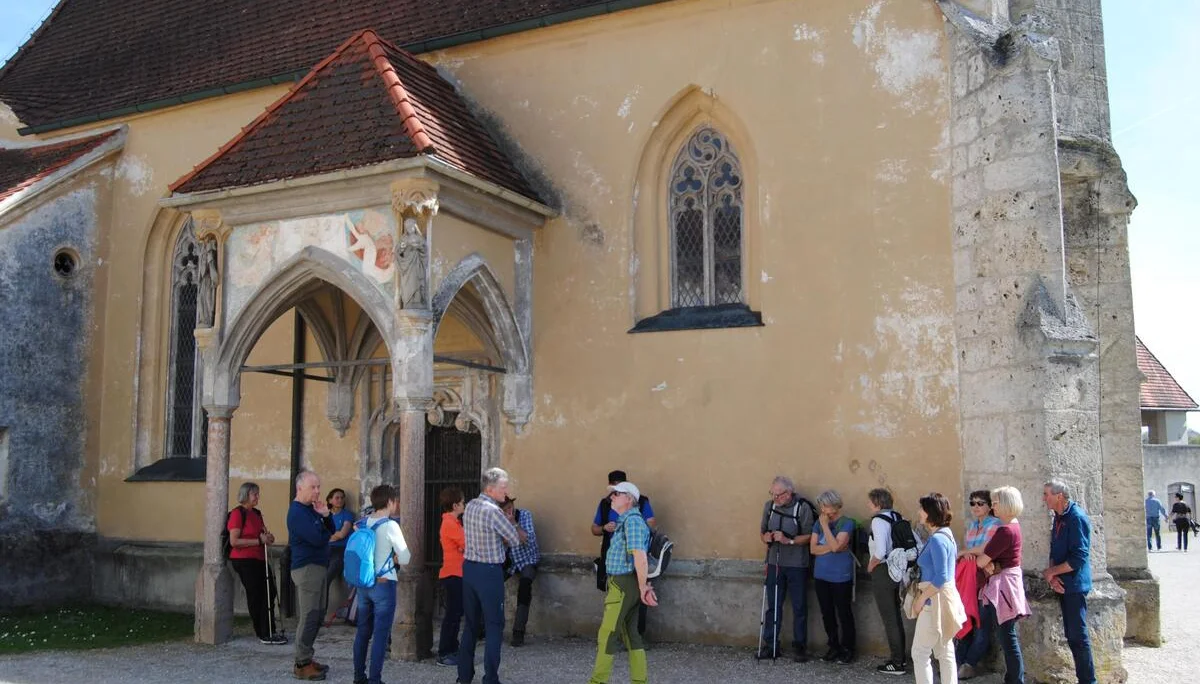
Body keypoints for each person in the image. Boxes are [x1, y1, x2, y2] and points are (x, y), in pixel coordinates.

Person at [457, 468, 524, 684]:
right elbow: (514, 539)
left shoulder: (470, 507)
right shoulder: (493, 511)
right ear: (490, 488)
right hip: (489, 572)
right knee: (494, 625)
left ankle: (464, 677)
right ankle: (491, 679)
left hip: (469, 569)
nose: (506, 492)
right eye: (503, 488)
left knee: (470, 624)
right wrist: (510, 521)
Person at [588, 481, 659, 684]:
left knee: (607, 634)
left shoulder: (633, 521)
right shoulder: (628, 520)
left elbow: (640, 556)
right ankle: (639, 681)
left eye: (616, 494)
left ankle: (597, 681)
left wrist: (644, 586)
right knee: (631, 635)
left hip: (623, 585)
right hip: (625, 584)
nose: (611, 497)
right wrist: (642, 586)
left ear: (629, 499)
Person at [959, 486, 1029, 682]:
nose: (994, 507)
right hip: (1004, 583)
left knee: (1008, 637)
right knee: (1006, 636)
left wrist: (987, 563)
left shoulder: (1005, 530)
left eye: (996, 503)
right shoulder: (1013, 526)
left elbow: (981, 561)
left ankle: (1015, 680)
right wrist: (989, 563)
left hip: (1002, 586)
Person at [352, 485, 411, 684]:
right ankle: (374, 679)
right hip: (384, 584)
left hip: (364, 584)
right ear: (390, 502)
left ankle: (358, 677)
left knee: (362, 632)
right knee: (380, 635)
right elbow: (405, 557)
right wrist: (393, 559)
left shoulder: (363, 523)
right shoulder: (391, 526)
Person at [1041, 479, 1096, 684]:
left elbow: (1079, 558)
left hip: (1074, 585)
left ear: (1059, 496)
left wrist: (1051, 572)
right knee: (1072, 636)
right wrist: (1053, 576)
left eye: (1046, 494)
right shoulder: (1058, 516)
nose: (1044, 498)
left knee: (1078, 637)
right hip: (1062, 583)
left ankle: (1088, 681)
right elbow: (1054, 547)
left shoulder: (1076, 518)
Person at [756, 475, 814, 662]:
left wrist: (787, 539)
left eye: (779, 495)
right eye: (773, 494)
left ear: (789, 493)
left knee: (799, 606)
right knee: (773, 606)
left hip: (797, 564)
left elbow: (809, 536)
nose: (775, 498)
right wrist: (766, 537)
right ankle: (771, 645)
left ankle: (800, 647)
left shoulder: (802, 507)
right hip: (774, 563)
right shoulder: (769, 507)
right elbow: (762, 532)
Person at [592, 470, 656, 637]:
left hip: (631, 564)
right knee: (616, 602)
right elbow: (595, 528)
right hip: (613, 560)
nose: (613, 495)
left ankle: (631, 634)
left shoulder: (639, 507)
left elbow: (651, 523)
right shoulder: (605, 504)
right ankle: (626, 635)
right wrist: (605, 528)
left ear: (628, 496)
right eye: (613, 489)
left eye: (618, 490)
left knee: (632, 605)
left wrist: (630, 527)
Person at [910, 492, 966, 684]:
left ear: (929, 512)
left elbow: (941, 576)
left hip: (934, 600)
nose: (919, 512)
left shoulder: (937, 539)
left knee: (920, 653)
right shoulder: (946, 535)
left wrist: (920, 600)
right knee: (944, 649)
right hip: (944, 597)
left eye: (922, 509)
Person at [287, 470, 335, 681]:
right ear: (300, 488)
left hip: (319, 566)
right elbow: (318, 538)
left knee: (318, 615)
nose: (317, 491)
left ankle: (307, 657)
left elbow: (329, 530)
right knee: (308, 616)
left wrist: (326, 515)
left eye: (318, 487)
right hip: (307, 569)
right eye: (313, 487)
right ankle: (301, 663)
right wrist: (324, 529)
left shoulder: (312, 509)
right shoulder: (297, 512)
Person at [228, 482, 287, 645]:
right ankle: (262, 632)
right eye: (255, 494)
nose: (257, 497)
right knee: (256, 595)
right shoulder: (238, 514)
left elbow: (261, 533)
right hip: (244, 559)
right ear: (246, 495)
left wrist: (268, 537)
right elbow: (234, 541)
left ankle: (270, 629)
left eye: (258, 494)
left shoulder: (256, 513)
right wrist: (258, 540)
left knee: (270, 592)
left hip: (259, 558)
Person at [954, 490, 1001, 669]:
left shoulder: (995, 524)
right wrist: (968, 555)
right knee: (966, 619)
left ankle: (970, 663)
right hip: (970, 579)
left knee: (981, 623)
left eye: (980, 503)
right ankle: (959, 663)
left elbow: (987, 548)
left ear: (989, 506)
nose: (975, 507)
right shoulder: (973, 526)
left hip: (986, 580)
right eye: (972, 503)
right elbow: (973, 549)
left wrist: (965, 552)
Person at [809, 489, 856, 664]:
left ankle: (848, 648)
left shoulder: (847, 523)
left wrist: (826, 528)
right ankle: (833, 646)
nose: (822, 509)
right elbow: (813, 549)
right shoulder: (817, 523)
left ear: (833, 505)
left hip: (840, 577)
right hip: (821, 575)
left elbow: (837, 548)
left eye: (824, 505)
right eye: (821, 506)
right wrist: (833, 545)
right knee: (826, 613)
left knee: (844, 613)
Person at [865, 487, 907, 675]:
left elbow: (880, 551)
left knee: (889, 618)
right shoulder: (897, 517)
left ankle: (897, 662)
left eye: (870, 502)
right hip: (899, 569)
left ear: (877, 503)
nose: (868, 505)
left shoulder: (878, 521)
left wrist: (871, 565)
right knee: (895, 617)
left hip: (884, 570)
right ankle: (900, 659)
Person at [502, 496, 541, 647]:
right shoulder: (499, 519)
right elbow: (501, 542)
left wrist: (514, 524)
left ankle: (518, 632)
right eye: (505, 510)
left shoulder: (525, 515)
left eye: (510, 507)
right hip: (510, 561)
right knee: (492, 585)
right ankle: (483, 628)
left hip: (528, 559)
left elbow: (527, 540)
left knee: (525, 587)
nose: (509, 511)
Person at [437, 486, 466, 667]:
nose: (464, 505)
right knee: (452, 615)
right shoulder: (449, 523)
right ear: (455, 505)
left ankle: (452, 648)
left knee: (456, 613)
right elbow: (466, 543)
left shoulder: (453, 522)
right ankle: (445, 652)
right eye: (462, 502)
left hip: (457, 572)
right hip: (453, 573)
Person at [325, 488, 356, 623]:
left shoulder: (347, 515)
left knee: (326, 578)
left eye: (342, 497)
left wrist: (328, 536)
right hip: (325, 550)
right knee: (320, 580)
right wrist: (331, 536)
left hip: (340, 550)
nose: (340, 500)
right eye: (337, 497)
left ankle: (323, 615)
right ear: (330, 500)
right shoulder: (326, 516)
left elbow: (343, 534)